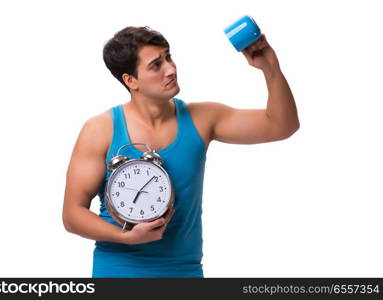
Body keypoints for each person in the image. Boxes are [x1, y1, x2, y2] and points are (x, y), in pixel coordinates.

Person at [62, 26, 300, 278]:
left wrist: (270, 67)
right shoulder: (100, 130)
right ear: (130, 80)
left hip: (184, 272)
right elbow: (72, 214)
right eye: (156, 65)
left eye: (168, 57)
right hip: (118, 270)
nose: (171, 69)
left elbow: (282, 125)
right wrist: (126, 236)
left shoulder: (202, 119)